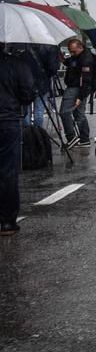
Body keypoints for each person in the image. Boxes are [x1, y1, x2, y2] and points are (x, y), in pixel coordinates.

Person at [1, 44, 36, 235]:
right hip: (7, 120)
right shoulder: (16, 64)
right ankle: (7, 221)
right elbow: (28, 94)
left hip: (7, 118)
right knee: (7, 170)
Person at [60, 38, 95, 148]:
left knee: (64, 112)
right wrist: (62, 58)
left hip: (76, 89)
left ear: (81, 47)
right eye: (70, 51)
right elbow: (70, 62)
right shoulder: (77, 56)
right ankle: (84, 139)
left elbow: (86, 80)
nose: (72, 54)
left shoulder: (86, 59)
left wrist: (80, 96)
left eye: (74, 51)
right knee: (79, 115)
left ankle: (71, 137)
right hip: (78, 88)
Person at [20, 44, 57, 129]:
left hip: (26, 85)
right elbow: (53, 68)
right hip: (42, 84)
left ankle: (28, 133)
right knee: (39, 111)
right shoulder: (49, 47)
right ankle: (37, 133)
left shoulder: (22, 47)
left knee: (26, 111)